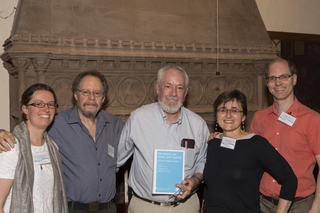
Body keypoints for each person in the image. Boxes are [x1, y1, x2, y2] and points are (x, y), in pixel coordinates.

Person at [0, 70, 124, 213]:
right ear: (75, 95)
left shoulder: (115, 125)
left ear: (103, 98)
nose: (91, 97)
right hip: (73, 209)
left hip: (108, 209)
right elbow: (24, 135)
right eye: (85, 92)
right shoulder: (56, 124)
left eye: (97, 93)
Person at [117, 65, 210, 213]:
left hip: (186, 207)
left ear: (186, 92)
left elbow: (203, 161)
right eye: (168, 86)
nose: (173, 93)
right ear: (157, 88)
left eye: (179, 88)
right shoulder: (138, 118)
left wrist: (196, 180)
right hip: (145, 206)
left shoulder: (198, 125)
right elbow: (118, 158)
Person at [202, 89, 297, 213]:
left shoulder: (257, 144)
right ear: (216, 115)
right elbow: (209, 188)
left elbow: (289, 179)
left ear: (244, 117)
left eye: (235, 110)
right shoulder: (213, 143)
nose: (228, 115)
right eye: (223, 110)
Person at [250, 58, 320, 213]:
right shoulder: (259, 118)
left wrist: (316, 207)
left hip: (300, 205)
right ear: (267, 83)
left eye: (283, 77)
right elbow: (248, 159)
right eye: (272, 78)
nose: (278, 83)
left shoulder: (312, 119)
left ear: (294, 79)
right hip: (263, 204)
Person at [0, 83, 68, 213]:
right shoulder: (12, 147)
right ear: (25, 109)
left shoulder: (52, 147)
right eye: (38, 104)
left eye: (50, 104)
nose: (46, 109)